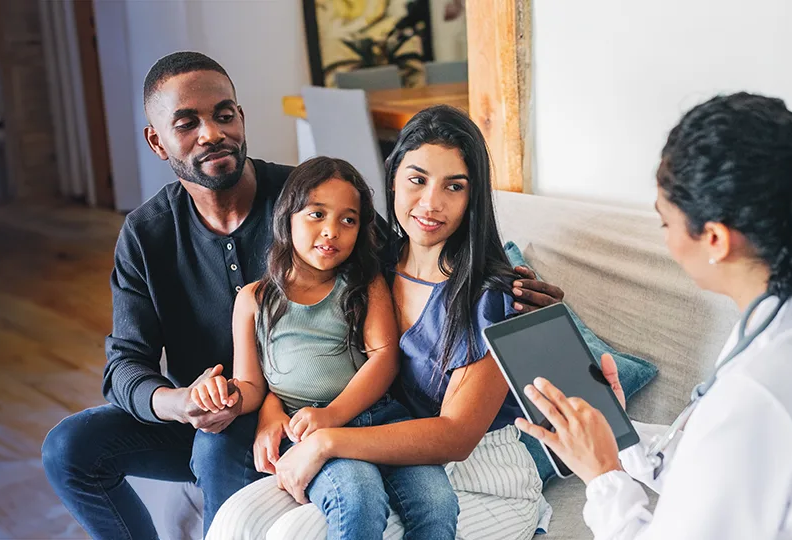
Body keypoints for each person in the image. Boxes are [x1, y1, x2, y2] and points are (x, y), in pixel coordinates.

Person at [40, 52, 561, 540]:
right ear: (157, 142)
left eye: (224, 115)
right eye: (188, 124)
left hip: (328, 410)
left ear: (241, 117)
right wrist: (183, 403)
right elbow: (123, 366)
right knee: (69, 448)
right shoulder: (147, 233)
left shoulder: (312, 198)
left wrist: (515, 291)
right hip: (230, 408)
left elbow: (414, 257)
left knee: (225, 453)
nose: (212, 134)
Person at [516, 92, 792, 539]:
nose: (667, 241)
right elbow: (720, 475)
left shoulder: (754, 396)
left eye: (666, 222)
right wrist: (622, 435)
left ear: (715, 239)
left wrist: (602, 475)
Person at [207, 105, 553, 540]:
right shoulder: (370, 268)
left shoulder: (489, 297)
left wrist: (326, 441)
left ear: (472, 197)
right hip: (371, 444)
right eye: (417, 179)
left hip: (476, 473)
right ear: (392, 180)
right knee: (237, 521)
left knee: (297, 534)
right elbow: (302, 356)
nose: (431, 202)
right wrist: (273, 412)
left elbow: (456, 437)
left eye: (454, 186)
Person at [193, 156, 458, 539]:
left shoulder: (364, 284)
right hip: (305, 431)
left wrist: (333, 414)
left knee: (438, 503)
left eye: (348, 220)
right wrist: (223, 395)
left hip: (380, 418)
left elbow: (384, 359)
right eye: (317, 214)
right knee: (358, 498)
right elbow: (251, 387)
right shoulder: (253, 299)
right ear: (287, 218)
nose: (332, 230)